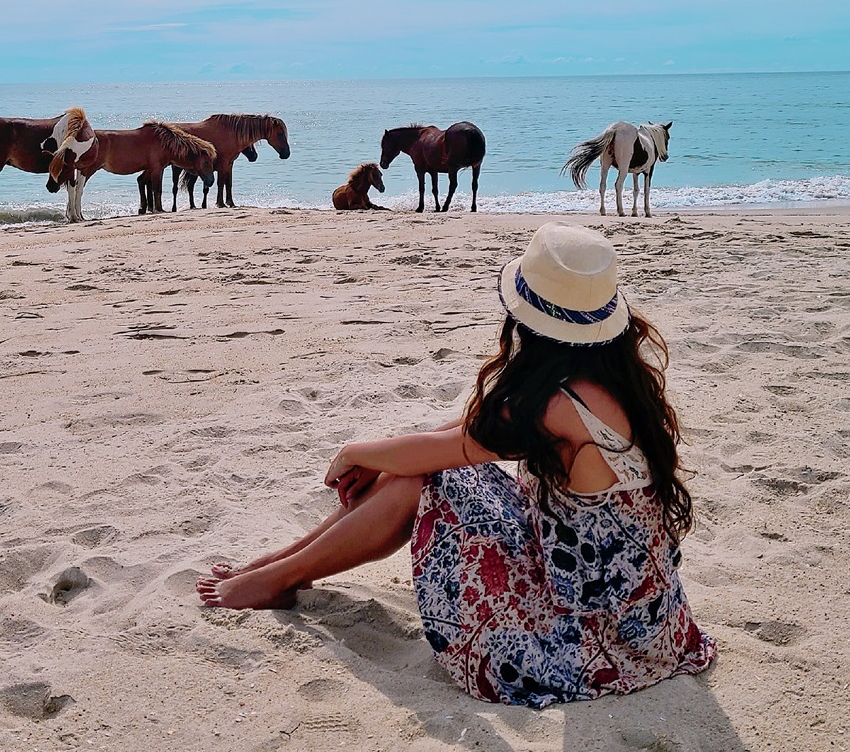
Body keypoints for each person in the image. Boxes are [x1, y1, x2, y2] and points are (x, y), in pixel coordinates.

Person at [197, 222, 716, 707]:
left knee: (424, 478)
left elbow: (446, 451)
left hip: (586, 637)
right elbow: (461, 432)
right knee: (423, 465)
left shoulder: (558, 408)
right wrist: (381, 454)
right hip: (648, 619)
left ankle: (282, 575)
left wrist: (356, 453)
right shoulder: (613, 377)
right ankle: (284, 565)